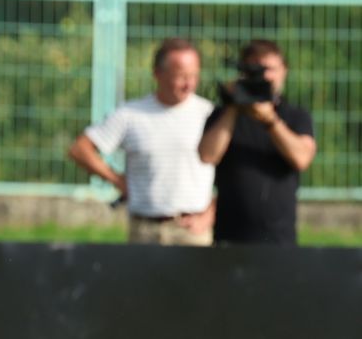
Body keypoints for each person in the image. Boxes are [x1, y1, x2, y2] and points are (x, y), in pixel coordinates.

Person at [67, 37, 216, 246]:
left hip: (192, 230)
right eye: (180, 76)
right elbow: (80, 149)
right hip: (144, 229)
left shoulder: (209, 114)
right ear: (158, 74)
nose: (188, 84)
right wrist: (117, 180)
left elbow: (235, 170)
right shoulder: (131, 114)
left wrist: (212, 211)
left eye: (194, 75)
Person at [198, 39, 317, 245]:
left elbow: (302, 159)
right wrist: (234, 105)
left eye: (270, 69)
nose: (264, 76)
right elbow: (207, 155)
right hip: (230, 236)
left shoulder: (295, 116)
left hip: (279, 237)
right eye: (256, 70)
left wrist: (271, 120)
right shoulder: (223, 115)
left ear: (283, 71)